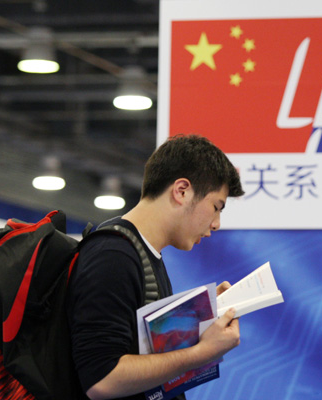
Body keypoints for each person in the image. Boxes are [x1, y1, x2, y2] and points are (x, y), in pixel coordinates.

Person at [67, 134, 245, 400]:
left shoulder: (145, 254)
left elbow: (139, 350)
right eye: (216, 207)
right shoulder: (113, 255)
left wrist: (200, 316)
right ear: (182, 191)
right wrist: (202, 353)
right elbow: (101, 379)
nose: (216, 223)